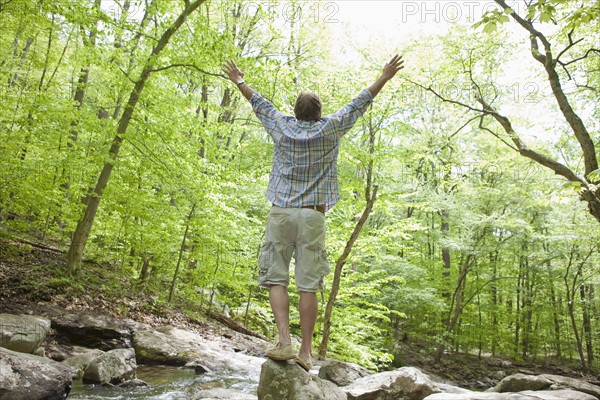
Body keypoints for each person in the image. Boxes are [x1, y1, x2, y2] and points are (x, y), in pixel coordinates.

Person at [223, 55, 404, 372]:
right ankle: (306, 353)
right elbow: (359, 103)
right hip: (313, 216)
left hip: (281, 213)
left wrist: (239, 80)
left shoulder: (281, 125)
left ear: (295, 112)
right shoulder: (331, 128)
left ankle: (284, 341)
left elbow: (259, 102)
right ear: (319, 113)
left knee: (275, 277)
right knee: (308, 284)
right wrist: (384, 76)